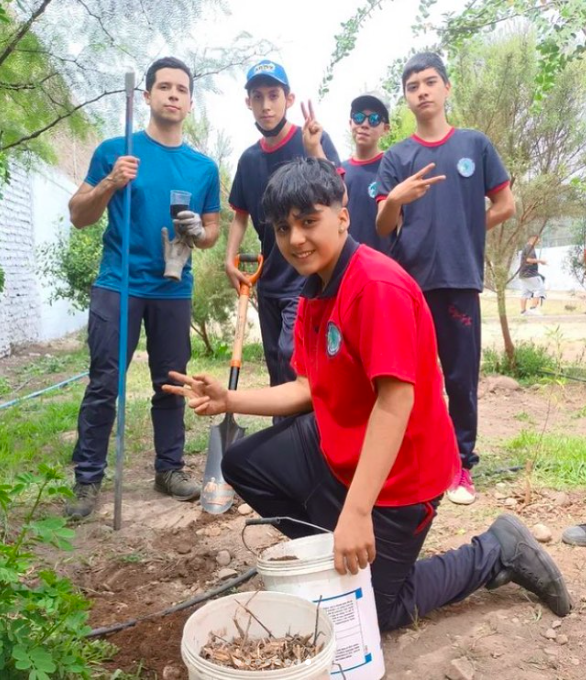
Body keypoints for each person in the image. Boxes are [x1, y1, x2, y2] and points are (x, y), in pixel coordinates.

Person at [164, 158, 571, 631]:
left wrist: (357, 512)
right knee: (242, 463)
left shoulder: (375, 286)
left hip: (404, 474)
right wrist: (230, 400)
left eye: (308, 221)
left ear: (343, 215)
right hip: (341, 446)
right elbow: (306, 388)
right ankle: (338, 545)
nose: (295, 239)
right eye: (282, 228)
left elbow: (394, 403)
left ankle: (495, 549)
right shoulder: (314, 288)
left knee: (377, 611)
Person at [65, 57, 221, 519]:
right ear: (147, 96)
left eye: (181, 89)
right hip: (119, 284)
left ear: (190, 103)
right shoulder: (117, 151)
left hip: (173, 288)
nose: (173, 95)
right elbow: (78, 216)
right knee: (104, 381)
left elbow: (212, 231)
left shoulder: (202, 167)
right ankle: (88, 480)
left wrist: (198, 233)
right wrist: (111, 183)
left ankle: (169, 469)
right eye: (164, 87)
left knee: (172, 383)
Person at [375, 52, 516, 506]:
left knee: (459, 377)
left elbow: (505, 204)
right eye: (413, 85)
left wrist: (467, 231)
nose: (422, 91)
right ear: (406, 98)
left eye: (430, 82)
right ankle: (413, 460)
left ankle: (461, 465)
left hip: (458, 280)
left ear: (447, 88)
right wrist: (396, 197)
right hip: (409, 286)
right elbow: (381, 225)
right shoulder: (397, 156)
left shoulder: (475, 145)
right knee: (410, 379)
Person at [226, 59, 341, 390]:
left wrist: (314, 148)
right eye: (258, 97)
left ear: (288, 100)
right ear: (248, 102)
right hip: (270, 278)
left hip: (307, 277)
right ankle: (284, 433)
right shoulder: (249, 159)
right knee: (277, 361)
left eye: (274, 95)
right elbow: (240, 214)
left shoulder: (310, 140)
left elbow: (338, 195)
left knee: (294, 356)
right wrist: (228, 258)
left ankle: (307, 434)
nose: (266, 106)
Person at [341, 91, 391, 251]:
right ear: (350, 123)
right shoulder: (340, 172)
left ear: (386, 128)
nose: (364, 124)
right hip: (349, 265)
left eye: (374, 119)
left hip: (386, 264)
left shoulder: (393, 167)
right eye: (359, 117)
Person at [519, 234, 546, 315]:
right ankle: (533, 309)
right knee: (539, 288)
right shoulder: (529, 247)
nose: (539, 241)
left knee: (525, 292)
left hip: (523, 274)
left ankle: (523, 312)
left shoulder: (527, 247)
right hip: (530, 273)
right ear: (533, 239)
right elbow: (529, 259)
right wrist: (540, 261)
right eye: (538, 240)